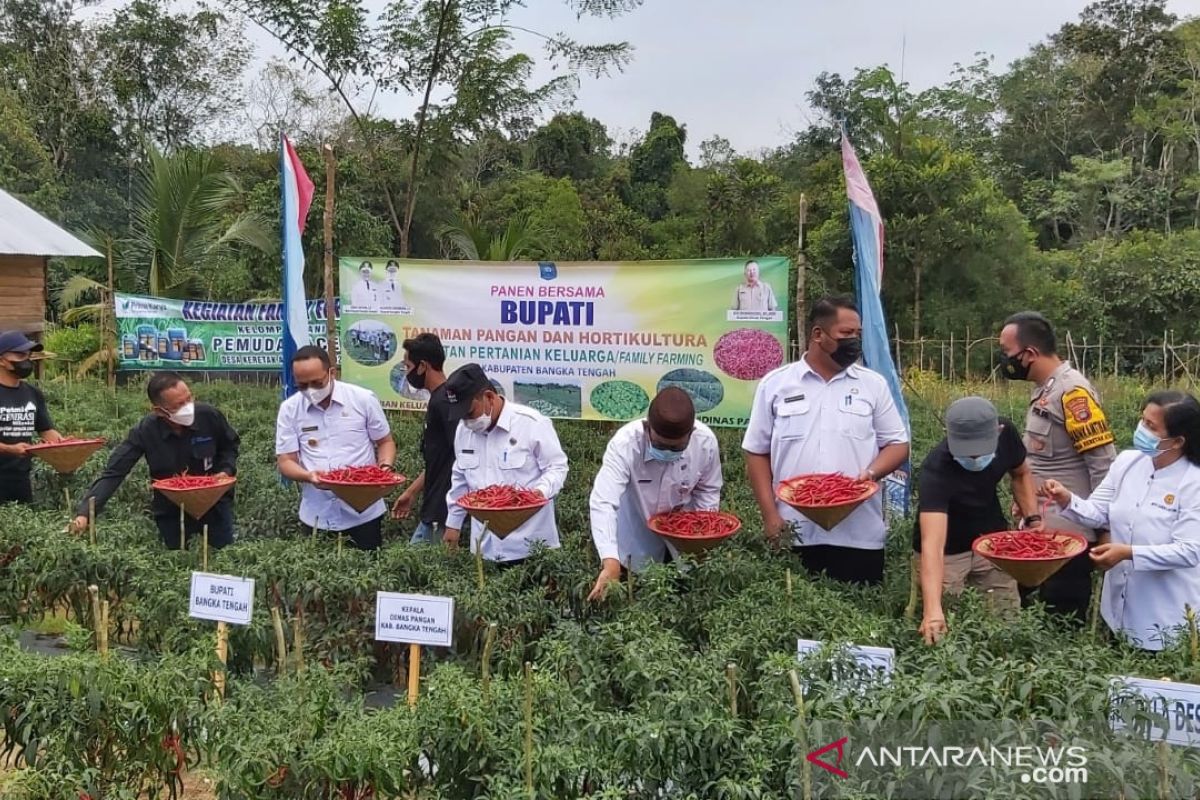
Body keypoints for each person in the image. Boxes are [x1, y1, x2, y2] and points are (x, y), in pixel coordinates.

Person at [743, 295, 910, 585]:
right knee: (793, 618)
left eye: (858, 334)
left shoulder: (872, 385)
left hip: (859, 535)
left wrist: (870, 473)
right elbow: (756, 452)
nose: (854, 342)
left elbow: (897, 444)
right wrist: (770, 516)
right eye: (846, 334)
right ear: (818, 335)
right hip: (794, 531)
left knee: (857, 619)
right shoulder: (776, 385)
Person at [1042, 391, 1200, 651]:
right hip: (1118, 611)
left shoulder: (1193, 482)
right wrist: (1066, 499)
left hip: (1167, 617)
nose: (1142, 429)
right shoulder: (1128, 463)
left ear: (1177, 441)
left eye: (1151, 426)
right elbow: (1098, 511)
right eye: (1143, 420)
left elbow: (1190, 550)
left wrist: (1128, 553)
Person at [998, 311, 1116, 620]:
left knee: (1060, 622)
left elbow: (1103, 466)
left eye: (1008, 354)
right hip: (1039, 531)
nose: (1005, 360)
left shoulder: (1072, 392)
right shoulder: (1047, 389)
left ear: (1030, 354)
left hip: (1068, 537)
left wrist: (1105, 529)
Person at [915, 397, 1042, 644]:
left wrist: (1033, 519)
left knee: (1006, 619)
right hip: (949, 553)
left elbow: (1021, 472)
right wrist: (932, 609)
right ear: (948, 434)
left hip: (992, 542)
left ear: (998, 431)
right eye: (966, 451)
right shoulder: (935, 470)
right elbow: (933, 544)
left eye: (980, 450)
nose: (974, 458)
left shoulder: (1007, 437)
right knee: (947, 625)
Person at [70, 372, 239, 549]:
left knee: (221, 558)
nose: (188, 407)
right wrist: (85, 514)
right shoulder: (145, 431)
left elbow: (229, 445)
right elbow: (115, 472)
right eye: (178, 405)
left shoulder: (209, 416)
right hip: (172, 511)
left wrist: (225, 471)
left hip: (215, 506)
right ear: (160, 411)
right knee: (177, 562)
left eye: (189, 399)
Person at [587, 387, 724, 600]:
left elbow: (708, 488)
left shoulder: (705, 443)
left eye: (677, 448)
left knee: (682, 599)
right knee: (636, 600)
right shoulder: (625, 445)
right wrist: (610, 560)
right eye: (660, 445)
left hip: (684, 541)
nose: (668, 452)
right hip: (635, 538)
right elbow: (603, 501)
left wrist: (702, 535)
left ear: (691, 434)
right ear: (647, 427)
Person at [444, 363, 568, 564]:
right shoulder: (463, 431)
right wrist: (453, 523)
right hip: (483, 548)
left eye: (469, 412)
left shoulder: (531, 423)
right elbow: (460, 478)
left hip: (531, 548)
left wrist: (538, 493)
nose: (467, 421)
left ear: (489, 397)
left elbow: (557, 467)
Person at [276, 345, 397, 551]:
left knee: (367, 574)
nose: (311, 391)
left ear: (332, 373)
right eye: (303, 386)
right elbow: (286, 460)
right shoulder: (290, 409)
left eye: (317, 383)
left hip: (364, 514)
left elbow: (385, 442)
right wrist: (309, 476)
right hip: (317, 515)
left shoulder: (362, 399)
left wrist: (382, 473)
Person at [390, 333, 455, 543]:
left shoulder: (443, 403)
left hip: (443, 512)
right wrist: (412, 492)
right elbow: (439, 459)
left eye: (408, 366)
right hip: (434, 509)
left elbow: (458, 458)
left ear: (423, 366)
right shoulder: (440, 399)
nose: (407, 373)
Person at [0, 330, 63, 504]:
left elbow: (46, 431)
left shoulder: (33, 393)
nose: (26, 360)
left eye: (28, 355)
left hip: (21, 480)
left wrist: (64, 444)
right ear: (1, 360)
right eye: (19, 355)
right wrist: (9, 449)